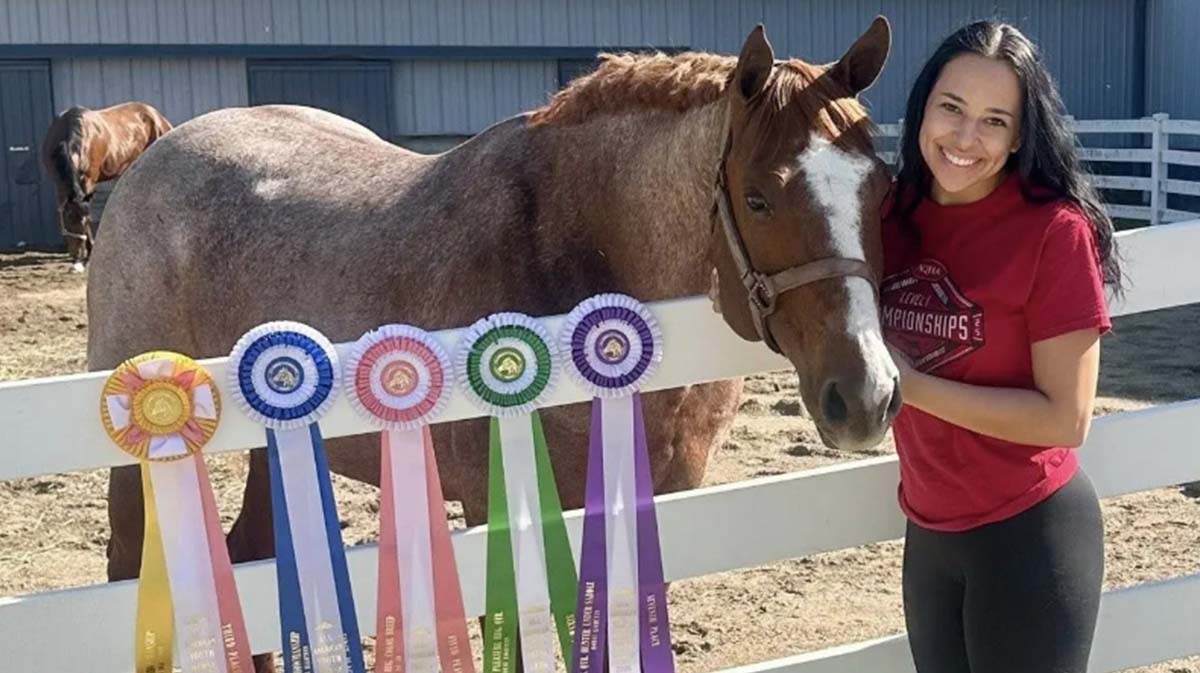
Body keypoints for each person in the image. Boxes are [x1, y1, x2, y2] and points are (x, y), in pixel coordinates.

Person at [880, 20, 1123, 673]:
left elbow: (1065, 419)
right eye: (951, 109)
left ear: (1019, 136)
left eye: (993, 121)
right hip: (929, 532)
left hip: (1028, 533)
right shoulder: (889, 217)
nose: (964, 138)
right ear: (922, 107)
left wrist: (911, 385)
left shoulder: (1052, 232)